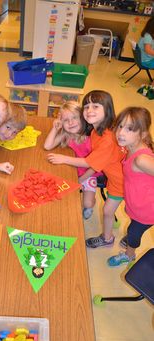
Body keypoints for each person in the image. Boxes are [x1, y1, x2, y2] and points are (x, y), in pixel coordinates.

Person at [47, 90, 125, 248]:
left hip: (117, 183)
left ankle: (113, 238)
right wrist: (56, 128)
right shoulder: (97, 131)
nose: (90, 110)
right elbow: (48, 145)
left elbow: (91, 163)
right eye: (87, 106)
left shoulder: (104, 137)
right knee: (111, 212)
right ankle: (113, 237)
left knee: (116, 212)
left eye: (95, 106)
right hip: (109, 177)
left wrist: (66, 162)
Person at [107, 107, 154, 267]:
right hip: (139, 204)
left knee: (133, 233)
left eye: (130, 129)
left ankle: (129, 254)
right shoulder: (131, 148)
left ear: (143, 135)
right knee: (135, 230)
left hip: (147, 209)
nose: (121, 132)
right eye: (120, 126)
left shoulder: (141, 159)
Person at [44, 100, 99, 220]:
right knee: (61, 200)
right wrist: (55, 128)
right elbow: (47, 146)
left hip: (89, 173)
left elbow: (94, 166)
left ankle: (90, 205)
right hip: (72, 169)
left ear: (83, 117)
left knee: (87, 203)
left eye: (74, 117)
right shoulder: (66, 134)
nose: (70, 122)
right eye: (65, 120)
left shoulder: (92, 138)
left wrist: (80, 180)